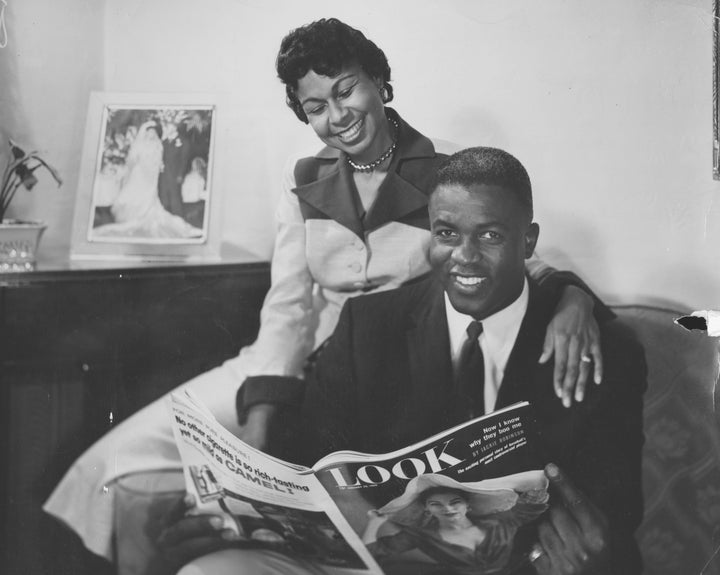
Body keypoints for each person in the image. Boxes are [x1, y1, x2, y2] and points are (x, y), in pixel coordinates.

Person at [45, 19, 607, 563]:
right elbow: (288, 308)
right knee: (124, 465)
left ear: (379, 84)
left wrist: (572, 295)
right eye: (316, 107)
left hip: (383, 371)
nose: (338, 116)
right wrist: (262, 411)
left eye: (347, 91)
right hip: (293, 364)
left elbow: (501, 252)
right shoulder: (302, 181)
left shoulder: (446, 166)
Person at [160, 147, 646, 575]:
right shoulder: (368, 325)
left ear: (529, 242)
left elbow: (615, 517)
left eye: (491, 236)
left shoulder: (601, 352)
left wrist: (592, 558)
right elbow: (315, 458)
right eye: (447, 233)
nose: (465, 257)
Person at [362, 472, 548, 575]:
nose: (448, 509)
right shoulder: (419, 535)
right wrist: (374, 523)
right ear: (427, 510)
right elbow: (372, 552)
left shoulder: (499, 522)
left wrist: (536, 489)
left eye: (455, 502)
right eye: (436, 504)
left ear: (468, 505)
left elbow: (529, 507)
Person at [92, 120, 203, 240]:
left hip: (151, 176)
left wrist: (154, 168)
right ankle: (132, 216)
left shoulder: (159, 145)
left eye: (153, 133)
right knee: (134, 194)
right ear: (145, 133)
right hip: (139, 174)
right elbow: (133, 160)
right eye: (149, 132)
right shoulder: (140, 145)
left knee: (149, 198)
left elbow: (160, 161)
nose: (151, 135)